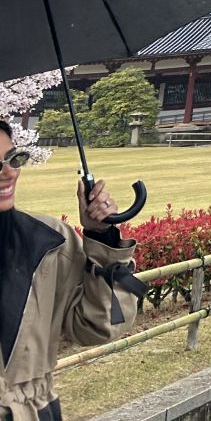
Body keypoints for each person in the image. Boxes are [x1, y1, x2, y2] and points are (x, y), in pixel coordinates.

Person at [0, 118, 142, 421]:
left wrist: (102, 239)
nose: (9, 172)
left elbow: (98, 325)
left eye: (13, 158)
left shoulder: (49, 242)